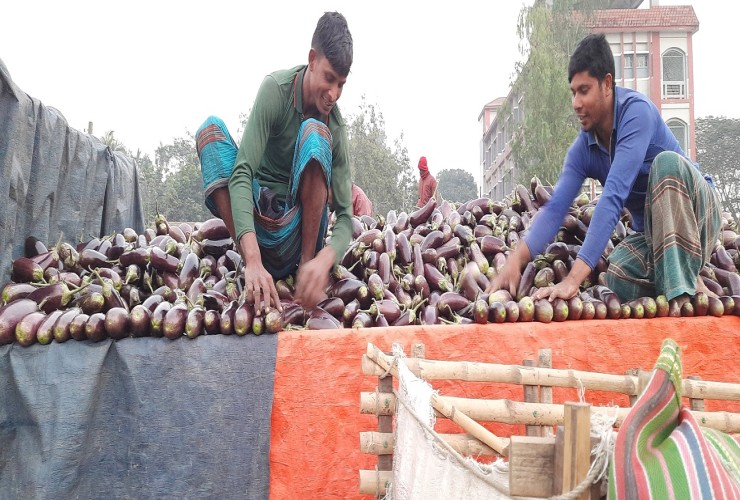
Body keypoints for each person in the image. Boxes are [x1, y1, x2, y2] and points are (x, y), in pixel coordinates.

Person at [487, 33, 721, 312]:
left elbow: (613, 197)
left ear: (607, 84)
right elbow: (554, 209)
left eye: (584, 90)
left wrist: (573, 279)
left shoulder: (637, 113)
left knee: (665, 164)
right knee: (617, 273)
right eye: (573, 92)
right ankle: (685, 275)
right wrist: (517, 259)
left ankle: (682, 292)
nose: (576, 103)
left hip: (697, 218)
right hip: (655, 237)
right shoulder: (583, 150)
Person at [195, 11, 354, 314]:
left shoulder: (335, 126)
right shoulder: (276, 91)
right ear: (311, 59)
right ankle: (252, 262)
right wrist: (252, 259)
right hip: (258, 226)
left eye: (341, 84)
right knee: (209, 131)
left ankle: (305, 266)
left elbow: (346, 215)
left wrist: (324, 259)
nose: (334, 93)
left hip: (299, 235)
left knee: (315, 131)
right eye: (329, 78)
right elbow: (242, 172)